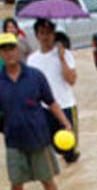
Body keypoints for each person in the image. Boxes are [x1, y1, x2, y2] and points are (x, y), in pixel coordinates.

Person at [0, 33, 72, 190]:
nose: (9, 53)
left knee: (48, 182)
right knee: (16, 185)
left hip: (39, 138)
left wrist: (66, 123)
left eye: (11, 48)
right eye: (4, 49)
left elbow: (51, 102)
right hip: (13, 141)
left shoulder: (35, 75)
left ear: (18, 50)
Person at [27, 19, 80, 164]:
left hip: (66, 107)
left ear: (54, 34)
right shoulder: (32, 59)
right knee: (51, 151)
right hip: (44, 110)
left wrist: (62, 58)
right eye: (42, 33)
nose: (45, 37)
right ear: (36, 35)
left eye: (49, 33)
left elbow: (72, 80)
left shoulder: (65, 54)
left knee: (70, 152)